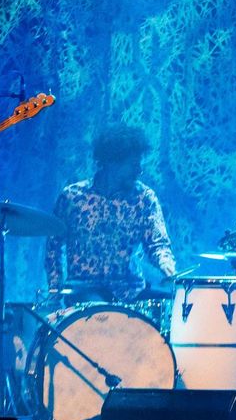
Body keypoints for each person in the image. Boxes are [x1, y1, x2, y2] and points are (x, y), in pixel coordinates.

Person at [48, 123, 176, 301]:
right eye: (133, 164)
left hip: (131, 293)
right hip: (84, 292)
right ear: (111, 162)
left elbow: (157, 244)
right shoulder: (72, 197)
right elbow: (53, 246)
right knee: (96, 305)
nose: (139, 170)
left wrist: (166, 264)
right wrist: (55, 291)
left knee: (172, 302)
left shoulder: (144, 197)